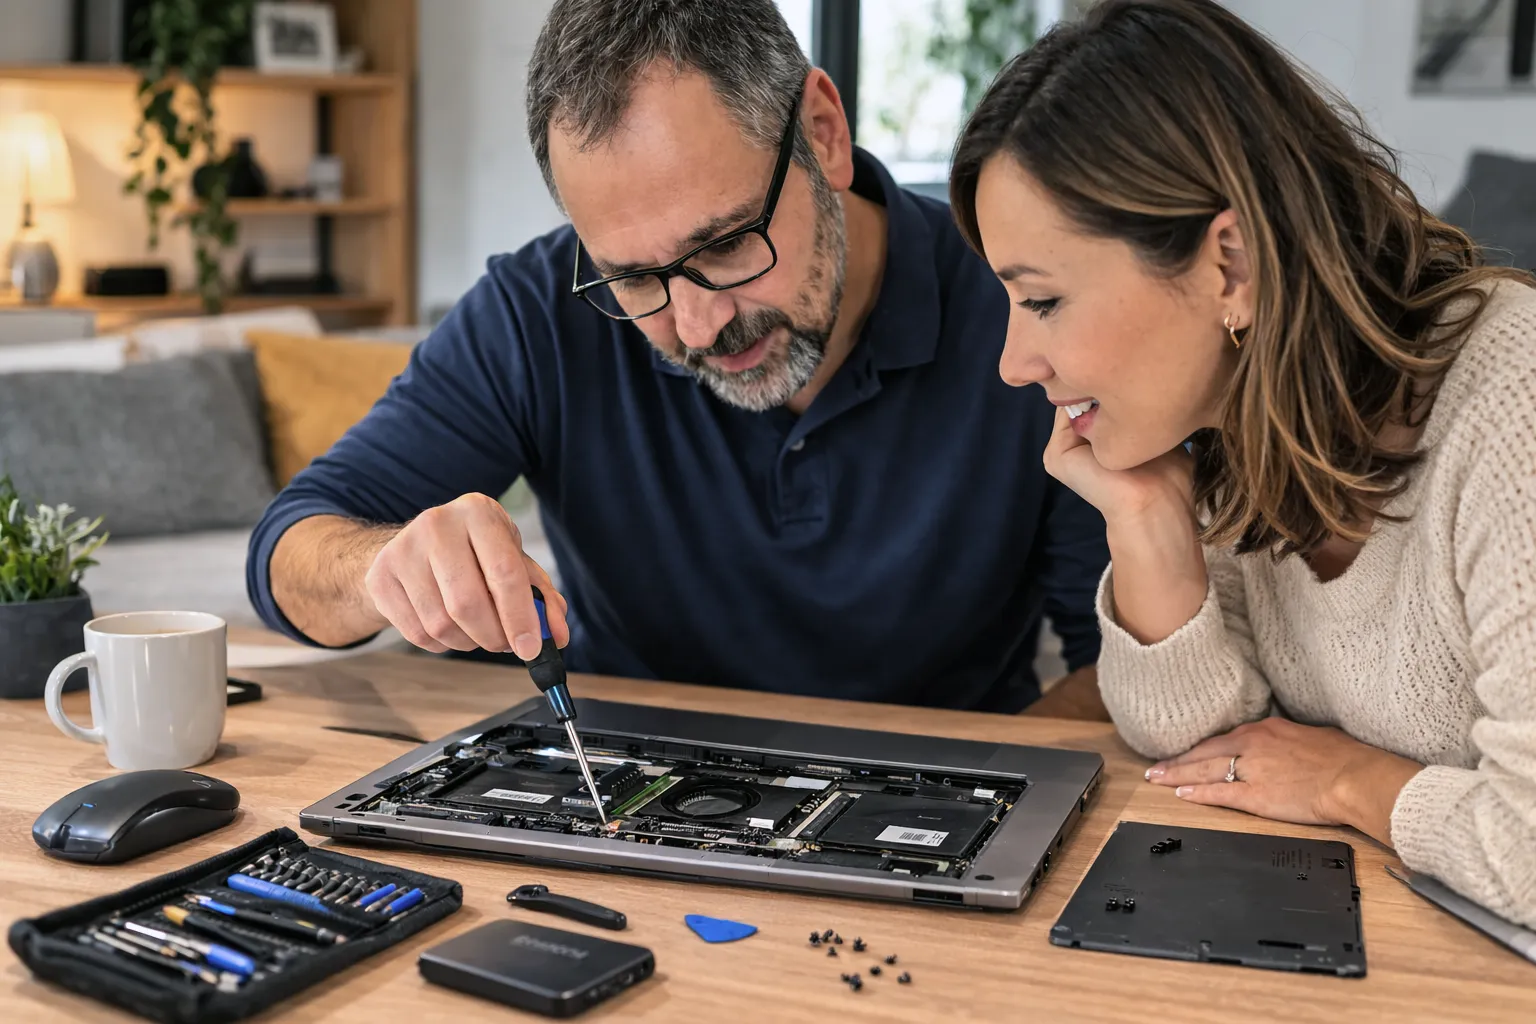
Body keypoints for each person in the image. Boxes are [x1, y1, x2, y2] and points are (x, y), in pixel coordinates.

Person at [245, 0, 1110, 714]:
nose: (697, 327)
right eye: (633, 277)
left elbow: (1112, 667)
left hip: (939, 811)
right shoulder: (539, 310)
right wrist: (383, 568)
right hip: (636, 796)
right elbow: (288, 555)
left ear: (824, 131)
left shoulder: (1020, 300)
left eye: (730, 244)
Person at [950, 0, 1536, 924]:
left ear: (1230, 264)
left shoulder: (1513, 404)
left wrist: (1351, 782)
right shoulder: (1232, 414)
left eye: (1046, 301)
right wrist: (1147, 525)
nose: (1014, 363)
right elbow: (1205, 752)